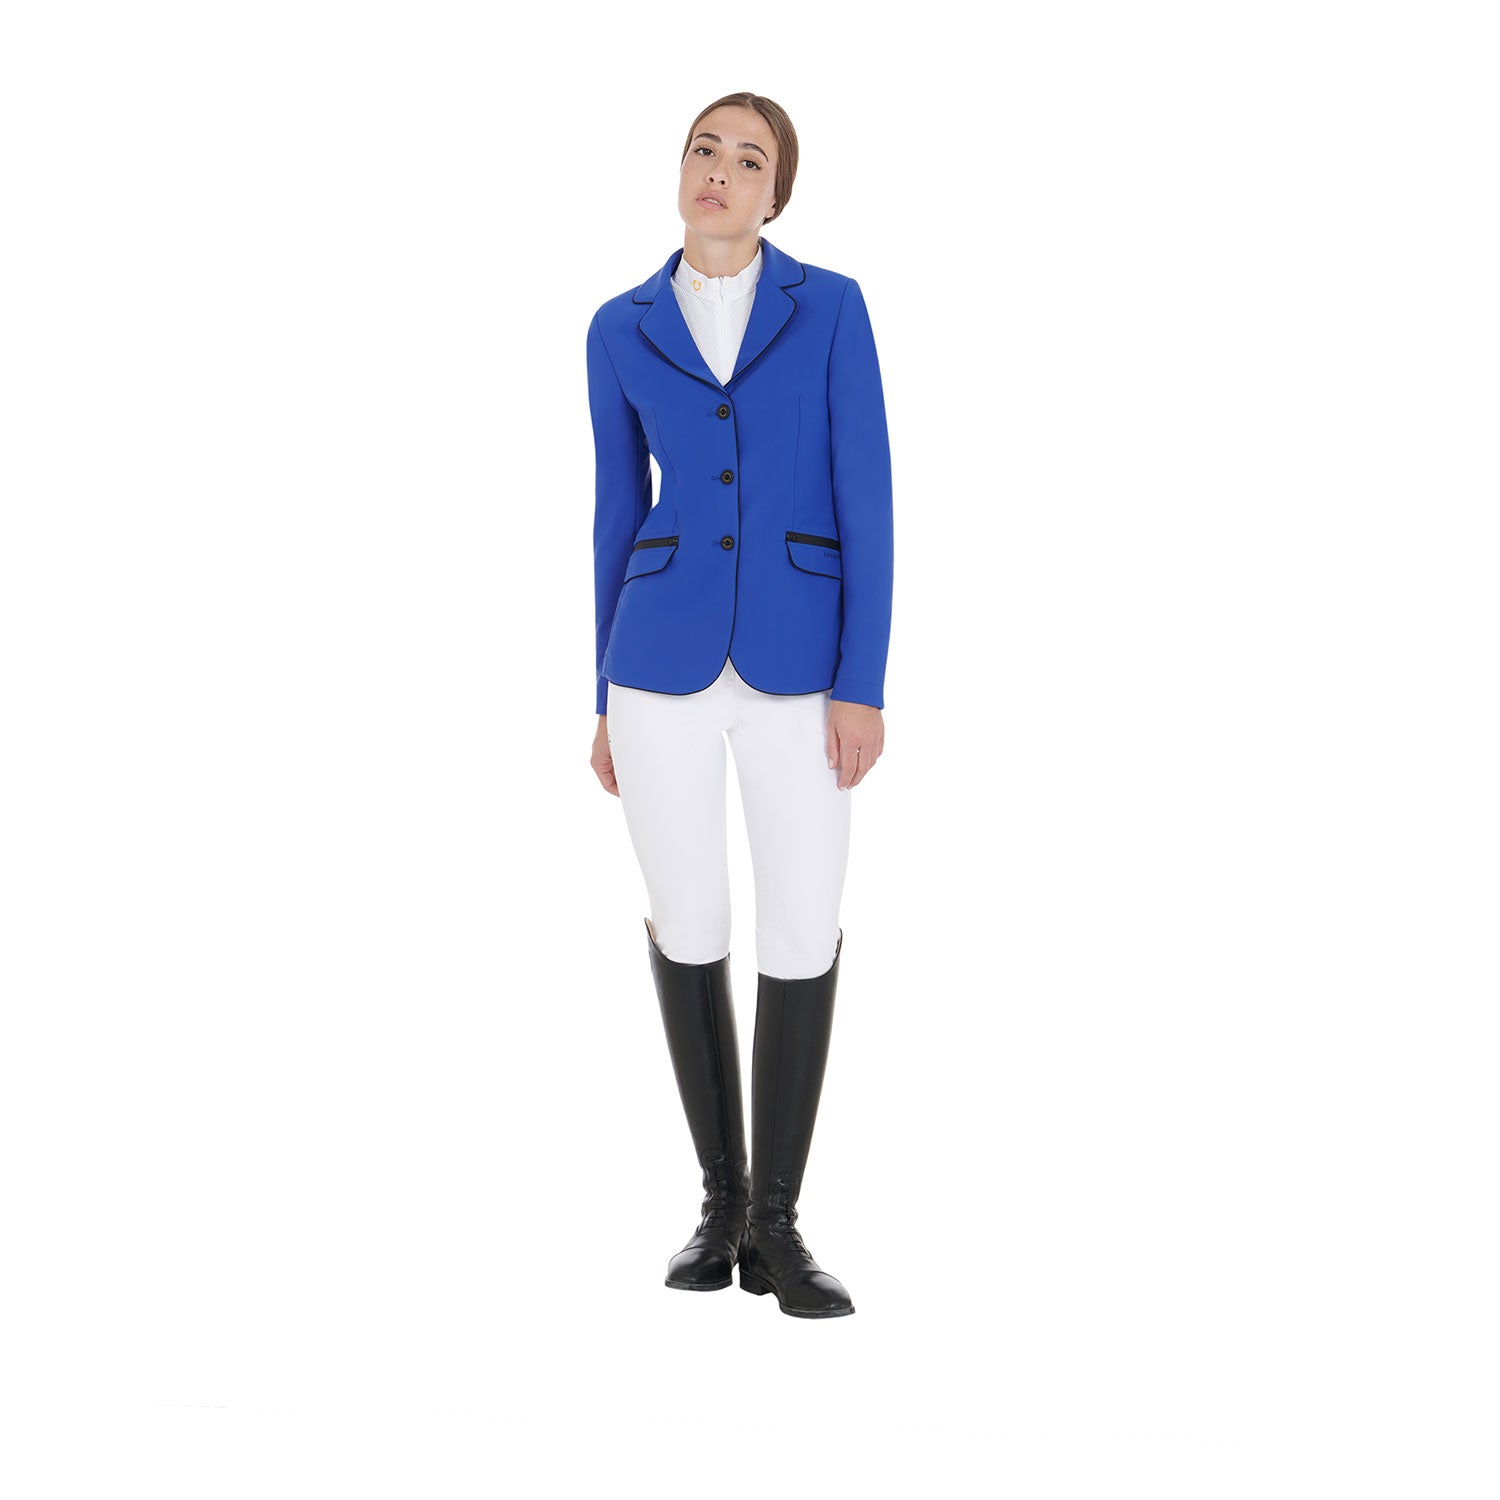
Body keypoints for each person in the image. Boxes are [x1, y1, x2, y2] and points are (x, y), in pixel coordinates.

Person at [585, 92, 894, 1319]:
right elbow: (617, 510)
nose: (719, 169)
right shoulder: (619, 326)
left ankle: (779, 1224)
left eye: (747, 158)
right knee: (690, 919)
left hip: (800, 661)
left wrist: (863, 681)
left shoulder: (834, 309)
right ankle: (720, 1209)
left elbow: (869, 495)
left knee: (802, 926)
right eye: (703, 149)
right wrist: (599, 695)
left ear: (777, 195)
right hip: (654, 660)